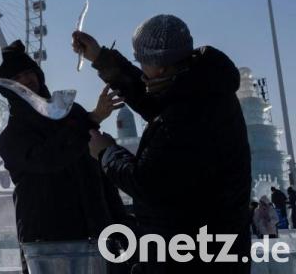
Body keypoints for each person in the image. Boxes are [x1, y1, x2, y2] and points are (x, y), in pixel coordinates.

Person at [73, 14, 251, 272]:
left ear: (161, 68)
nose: (142, 68)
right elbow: (154, 101)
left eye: (142, 61)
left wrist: (106, 152)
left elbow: (147, 184)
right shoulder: (202, 87)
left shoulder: (187, 113)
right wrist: (100, 57)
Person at [0, 40, 128, 248]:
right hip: (47, 236)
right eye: (16, 78)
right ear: (6, 87)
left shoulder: (71, 110)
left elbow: (99, 170)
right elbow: (45, 159)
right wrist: (90, 120)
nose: (26, 80)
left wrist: (120, 223)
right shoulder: (6, 126)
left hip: (98, 228)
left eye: (28, 72)